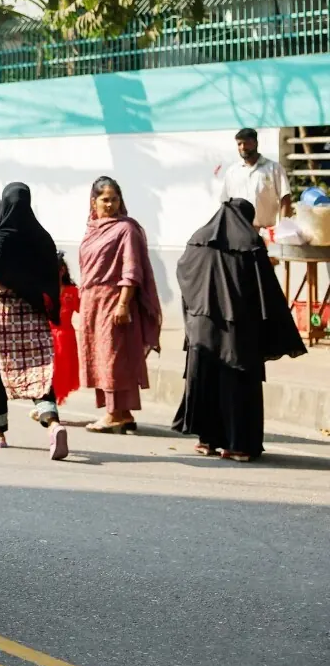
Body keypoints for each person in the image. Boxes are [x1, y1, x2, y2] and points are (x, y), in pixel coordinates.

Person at [172, 199, 305, 460]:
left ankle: (206, 440)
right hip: (238, 331)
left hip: (202, 329)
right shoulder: (250, 243)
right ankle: (238, 445)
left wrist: (197, 309)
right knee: (237, 385)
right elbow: (265, 289)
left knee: (207, 380)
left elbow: (184, 274)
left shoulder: (198, 239)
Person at [0, 183, 68, 459]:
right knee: (38, 369)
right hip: (33, 312)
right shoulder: (43, 238)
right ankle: (52, 423)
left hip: (3, 313)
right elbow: (52, 277)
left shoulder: (0, 237)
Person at [78, 176, 162, 432]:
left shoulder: (126, 229)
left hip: (114, 302)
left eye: (115, 199)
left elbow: (132, 269)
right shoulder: (92, 228)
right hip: (93, 303)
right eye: (105, 199)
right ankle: (123, 413)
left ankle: (114, 414)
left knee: (113, 357)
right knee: (101, 356)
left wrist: (123, 303)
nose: (110, 205)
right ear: (93, 201)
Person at [220, 128, 291, 231]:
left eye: (246, 143)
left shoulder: (274, 168)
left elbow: (285, 198)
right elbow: (225, 202)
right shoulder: (232, 172)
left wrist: (283, 228)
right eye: (239, 144)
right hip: (239, 231)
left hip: (265, 232)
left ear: (256, 143)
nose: (243, 147)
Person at [44, 253, 81, 413]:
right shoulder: (43, 291)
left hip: (65, 338)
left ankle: (52, 405)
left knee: (61, 373)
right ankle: (47, 404)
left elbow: (84, 310)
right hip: (46, 336)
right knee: (47, 372)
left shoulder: (72, 291)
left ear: (63, 270)